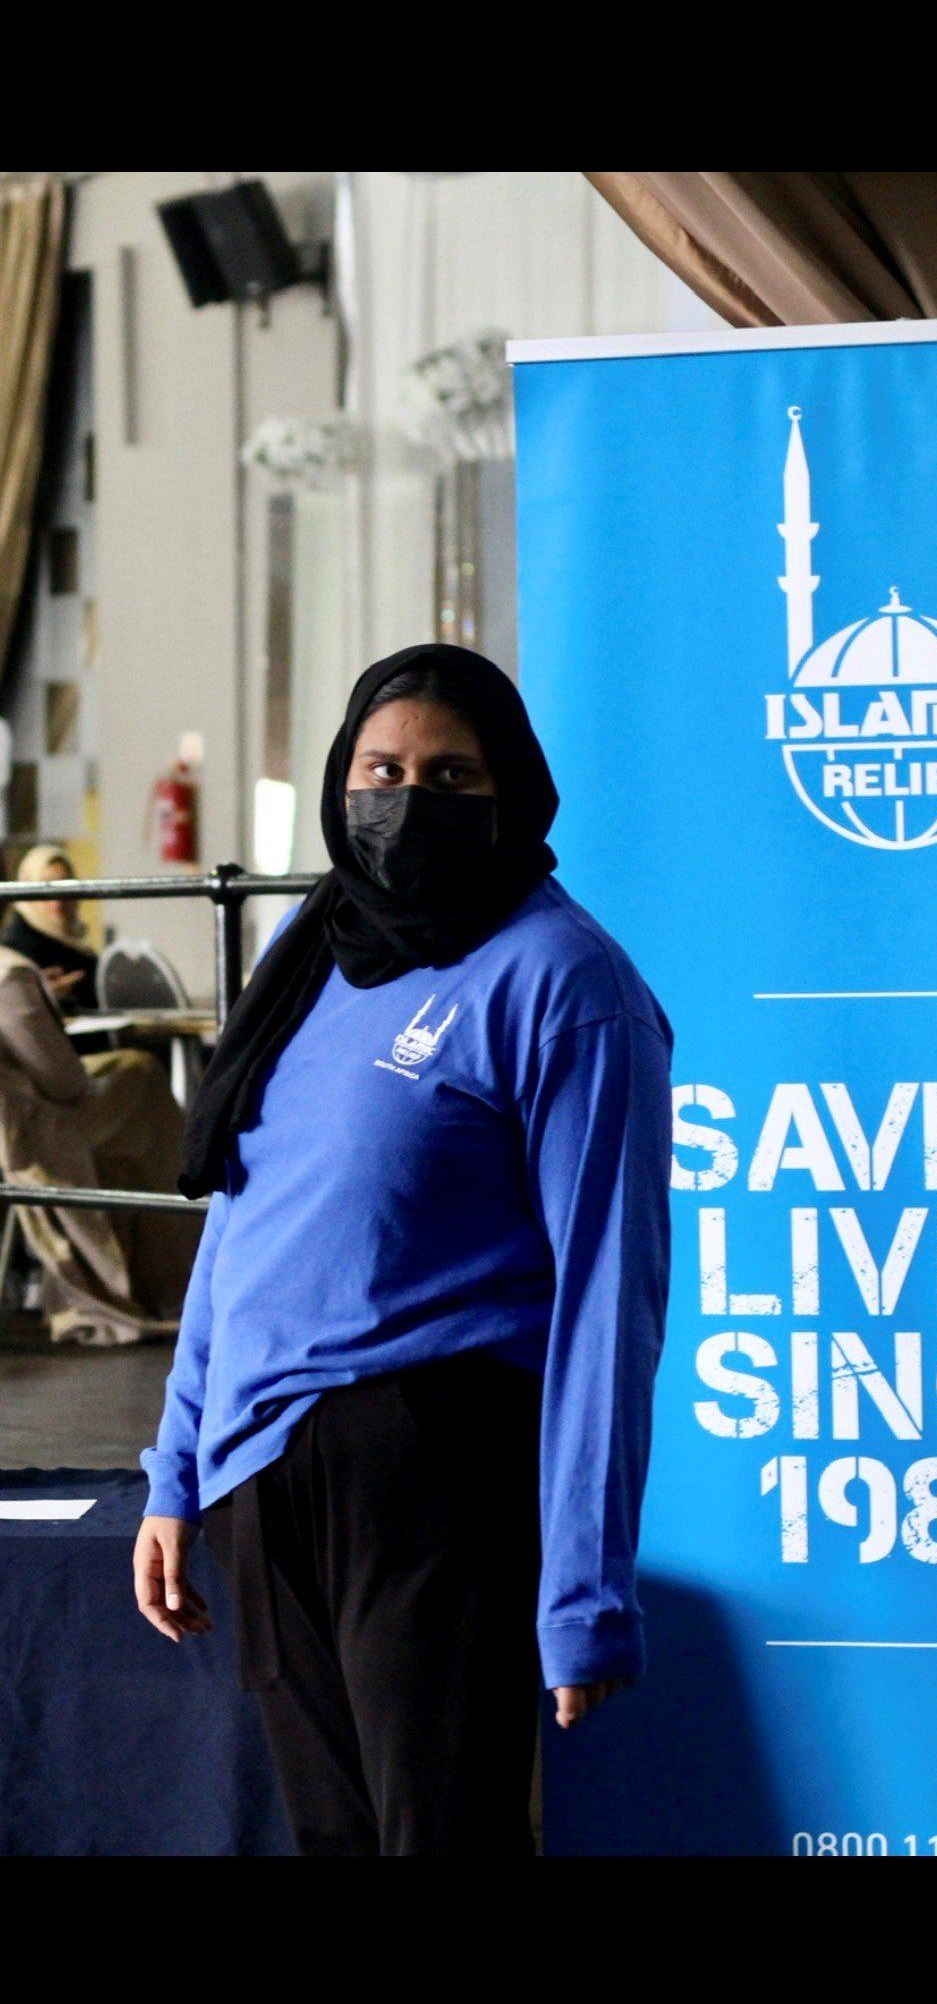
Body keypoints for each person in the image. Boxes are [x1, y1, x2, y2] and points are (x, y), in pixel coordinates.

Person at [132, 644, 674, 1856]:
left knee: (447, 1838)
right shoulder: (313, 952)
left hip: (435, 1470)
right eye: (381, 767)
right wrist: (174, 1468)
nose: (406, 797)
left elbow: (609, 1300)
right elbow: (239, 1216)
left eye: (449, 773)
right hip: (260, 1473)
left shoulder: (564, 981)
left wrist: (584, 1593)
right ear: (340, 778)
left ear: (513, 792)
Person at [0, 941, 202, 1343]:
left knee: (131, 1080)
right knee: (143, 1079)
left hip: (18, 1119)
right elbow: (64, 1080)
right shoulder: (10, 973)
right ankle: (180, 1274)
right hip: (29, 1127)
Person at [1, 842, 101, 1010]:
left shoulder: (75, 938)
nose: (57, 900)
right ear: (27, 888)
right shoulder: (18, 946)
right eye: (45, 888)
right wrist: (42, 995)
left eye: (65, 887)